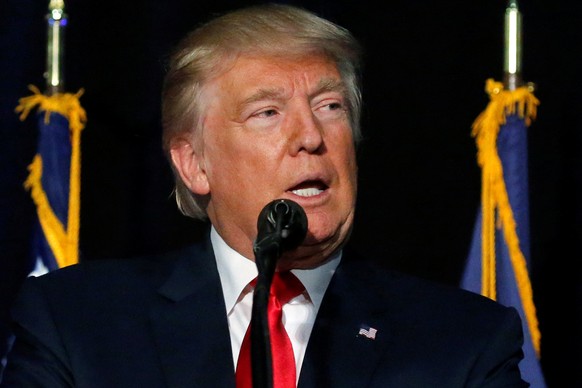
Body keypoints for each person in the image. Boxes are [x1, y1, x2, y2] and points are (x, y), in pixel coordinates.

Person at [0, 3, 529, 387]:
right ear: (193, 163)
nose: (311, 137)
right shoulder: (74, 322)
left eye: (330, 106)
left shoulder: (465, 343)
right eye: (268, 113)